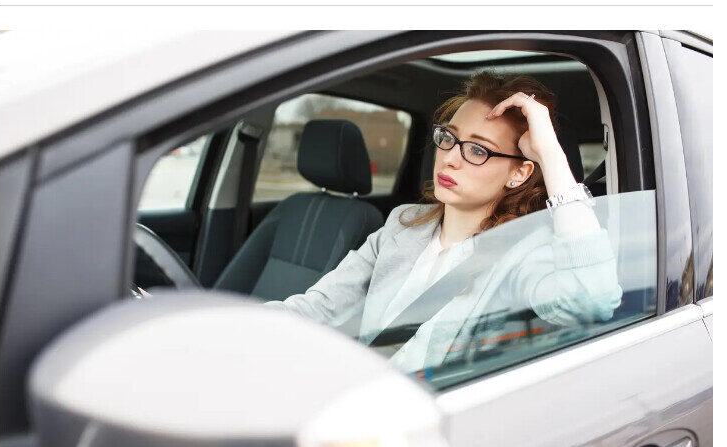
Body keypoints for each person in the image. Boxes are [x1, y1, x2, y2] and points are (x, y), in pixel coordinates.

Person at [266, 71, 623, 372]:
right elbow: (320, 307)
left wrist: (550, 155)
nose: (451, 158)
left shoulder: (524, 252)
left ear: (519, 173)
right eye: (450, 138)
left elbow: (593, 299)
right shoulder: (403, 224)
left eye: (478, 150)